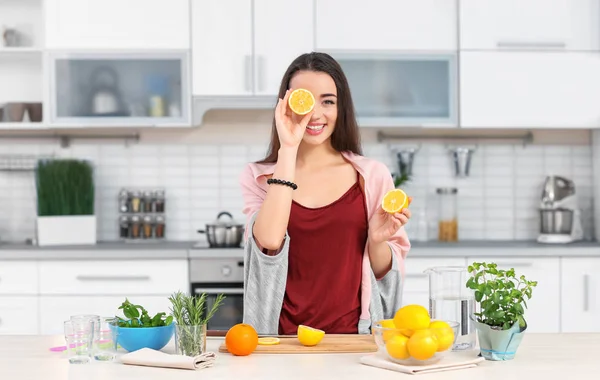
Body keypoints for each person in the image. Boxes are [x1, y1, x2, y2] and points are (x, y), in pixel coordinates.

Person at [239, 52, 411, 336]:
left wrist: (377, 241)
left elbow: (384, 273)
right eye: (304, 101)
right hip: (280, 342)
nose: (315, 114)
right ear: (285, 106)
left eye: (328, 101)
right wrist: (289, 149)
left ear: (341, 107)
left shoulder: (372, 176)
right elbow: (269, 241)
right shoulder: (258, 177)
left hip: (353, 340)